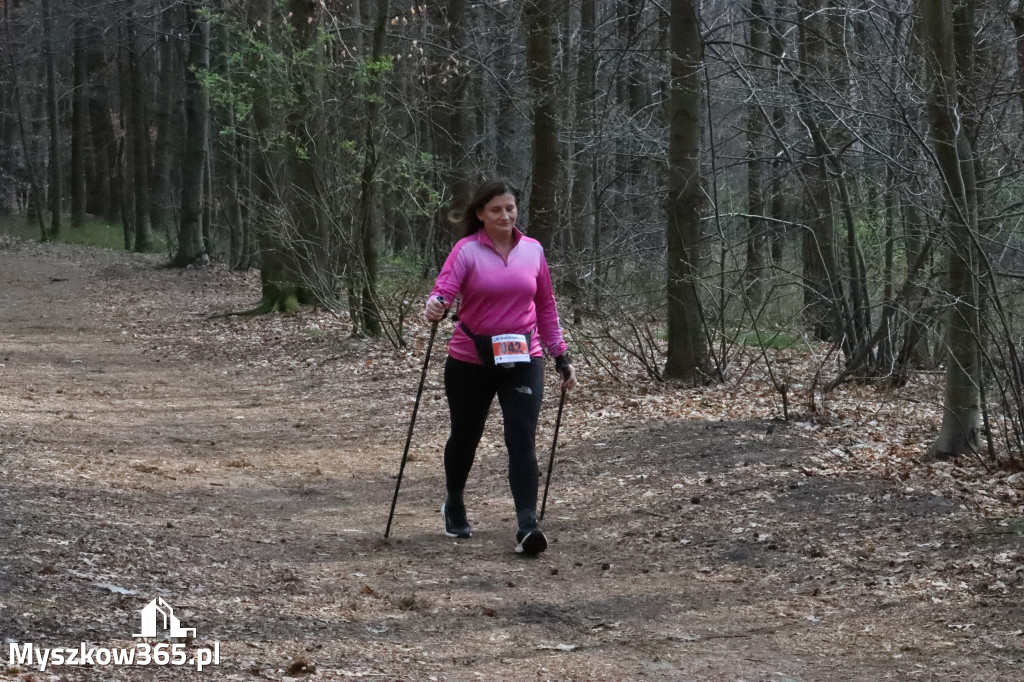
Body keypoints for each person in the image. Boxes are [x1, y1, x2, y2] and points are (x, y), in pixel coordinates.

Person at [425, 179, 577, 556]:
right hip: (470, 359)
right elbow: (444, 290)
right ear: (480, 214)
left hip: (524, 357)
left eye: (510, 208)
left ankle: (527, 525)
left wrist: (560, 355)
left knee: (521, 437)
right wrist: (436, 305)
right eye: (495, 209)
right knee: (466, 435)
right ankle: (454, 501)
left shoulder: (533, 251)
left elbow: (545, 306)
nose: (505, 216)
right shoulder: (466, 251)